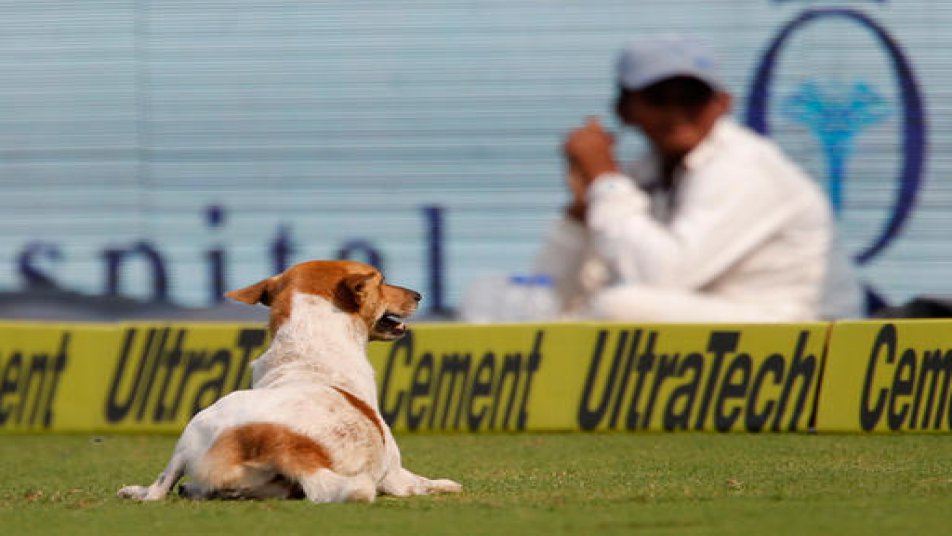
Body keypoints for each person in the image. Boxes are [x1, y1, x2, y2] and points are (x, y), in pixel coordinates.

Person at [533, 35, 863, 322]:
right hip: (726, 334)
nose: (676, 111)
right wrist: (581, 213)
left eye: (692, 97)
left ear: (723, 103)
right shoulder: (645, 173)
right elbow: (551, 293)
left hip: (808, 335)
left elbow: (663, 277)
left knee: (619, 308)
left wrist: (604, 180)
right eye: (658, 98)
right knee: (547, 310)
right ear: (624, 109)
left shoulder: (744, 166)